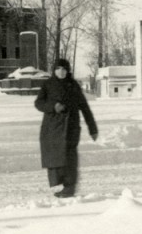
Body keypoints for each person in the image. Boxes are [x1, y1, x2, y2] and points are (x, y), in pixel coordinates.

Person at [34, 58, 98, 198]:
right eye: (58, 69)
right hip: (52, 128)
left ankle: (69, 188)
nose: (61, 72)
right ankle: (62, 185)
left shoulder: (73, 85)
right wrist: (53, 107)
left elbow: (84, 108)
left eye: (64, 69)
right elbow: (38, 103)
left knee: (69, 158)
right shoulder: (48, 84)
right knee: (55, 157)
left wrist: (92, 128)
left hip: (71, 127)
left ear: (67, 70)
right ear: (54, 70)